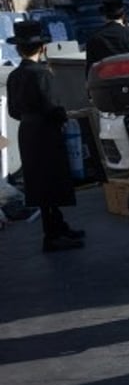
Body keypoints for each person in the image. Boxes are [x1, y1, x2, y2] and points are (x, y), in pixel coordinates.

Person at [6, 21, 85, 252]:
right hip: (46, 132)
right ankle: (52, 235)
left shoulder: (15, 76)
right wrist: (63, 117)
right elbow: (52, 106)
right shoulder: (42, 74)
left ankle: (58, 226)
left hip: (28, 132)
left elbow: (12, 111)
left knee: (39, 182)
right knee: (51, 181)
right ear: (42, 48)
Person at [85, 0, 129, 75]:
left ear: (104, 16)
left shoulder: (95, 38)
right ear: (123, 14)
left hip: (105, 83)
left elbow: (90, 70)